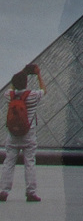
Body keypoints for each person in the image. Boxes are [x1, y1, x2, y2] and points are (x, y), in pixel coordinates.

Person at [0, 64, 46, 203]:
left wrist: (22, 72)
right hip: (29, 135)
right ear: (26, 82)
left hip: (13, 136)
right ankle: (31, 192)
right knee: (30, 163)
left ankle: (3, 191)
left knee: (9, 163)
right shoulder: (33, 95)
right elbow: (44, 90)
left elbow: (14, 85)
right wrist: (38, 74)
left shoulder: (9, 95)